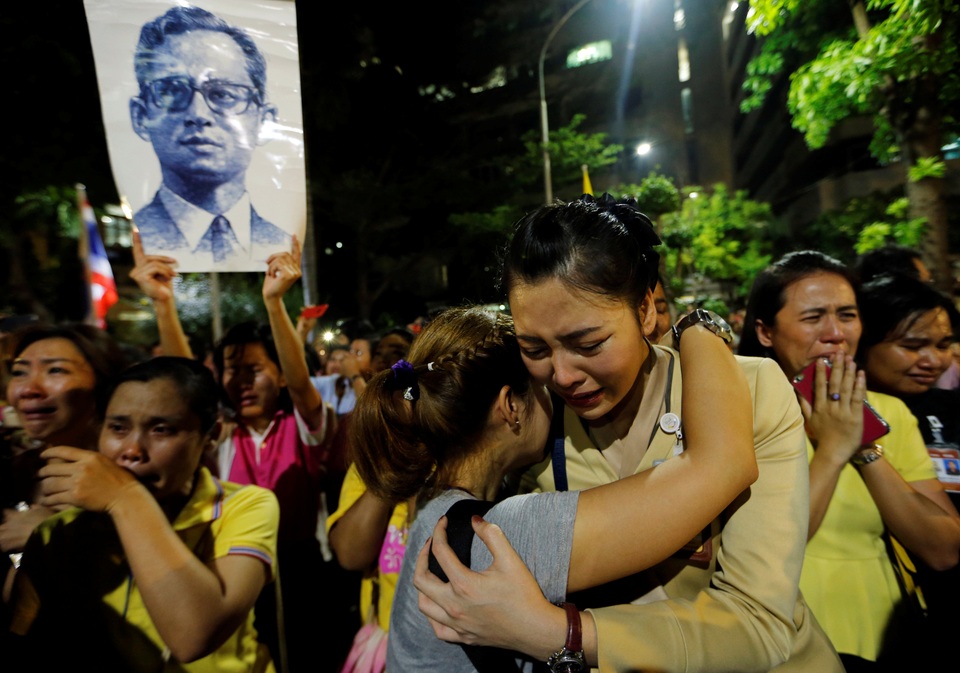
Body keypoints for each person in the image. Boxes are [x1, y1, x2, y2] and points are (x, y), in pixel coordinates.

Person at [413, 194, 842, 672]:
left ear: (644, 310)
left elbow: (759, 624)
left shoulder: (751, 390)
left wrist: (565, 635)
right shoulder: (536, 423)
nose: (563, 374)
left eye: (588, 343)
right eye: (534, 347)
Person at [351, 303, 758, 671]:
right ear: (510, 405)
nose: (561, 387)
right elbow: (721, 465)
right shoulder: (498, 533)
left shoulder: (434, 505)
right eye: (543, 382)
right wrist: (698, 329)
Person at [738, 250, 960, 671]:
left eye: (847, 314)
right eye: (813, 317)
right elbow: (772, 547)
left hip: (891, 641)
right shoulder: (740, 413)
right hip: (789, 642)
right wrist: (834, 449)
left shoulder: (890, 412)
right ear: (766, 331)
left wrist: (863, 445)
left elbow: (944, 549)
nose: (835, 333)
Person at [6, 356, 280, 672]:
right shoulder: (60, 532)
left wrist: (125, 497)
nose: (133, 450)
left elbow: (194, 636)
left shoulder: (244, 505)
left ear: (211, 435)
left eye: (162, 429)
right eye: (118, 428)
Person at [130, 5, 289, 269]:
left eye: (223, 94)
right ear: (140, 116)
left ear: (264, 121)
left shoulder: (281, 243)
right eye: (171, 91)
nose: (199, 114)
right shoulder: (135, 244)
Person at [858, 273, 960, 646]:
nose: (934, 360)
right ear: (864, 342)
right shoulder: (820, 423)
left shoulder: (952, 410)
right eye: (913, 345)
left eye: (945, 344)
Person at [1, 324, 128, 599]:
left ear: (104, 383)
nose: (29, 389)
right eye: (19, 373)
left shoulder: (134, 475)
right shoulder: (13, 474)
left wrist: (54, 534)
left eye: (55, 370)